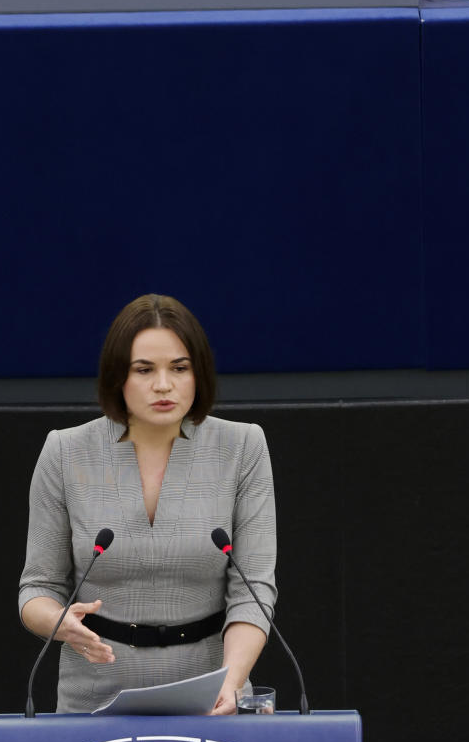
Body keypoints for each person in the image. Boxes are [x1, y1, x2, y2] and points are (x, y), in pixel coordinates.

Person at [19, 293, 277, 714]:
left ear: (200, 374)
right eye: (144, 370)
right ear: (117, 376)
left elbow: (254, 591)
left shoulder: (243, 447)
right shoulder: (65, 452)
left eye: (179, 368)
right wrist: (59, 623)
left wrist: (230, 683)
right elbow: (38, 589)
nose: (163, 384)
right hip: (94, 700)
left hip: (215, 697)